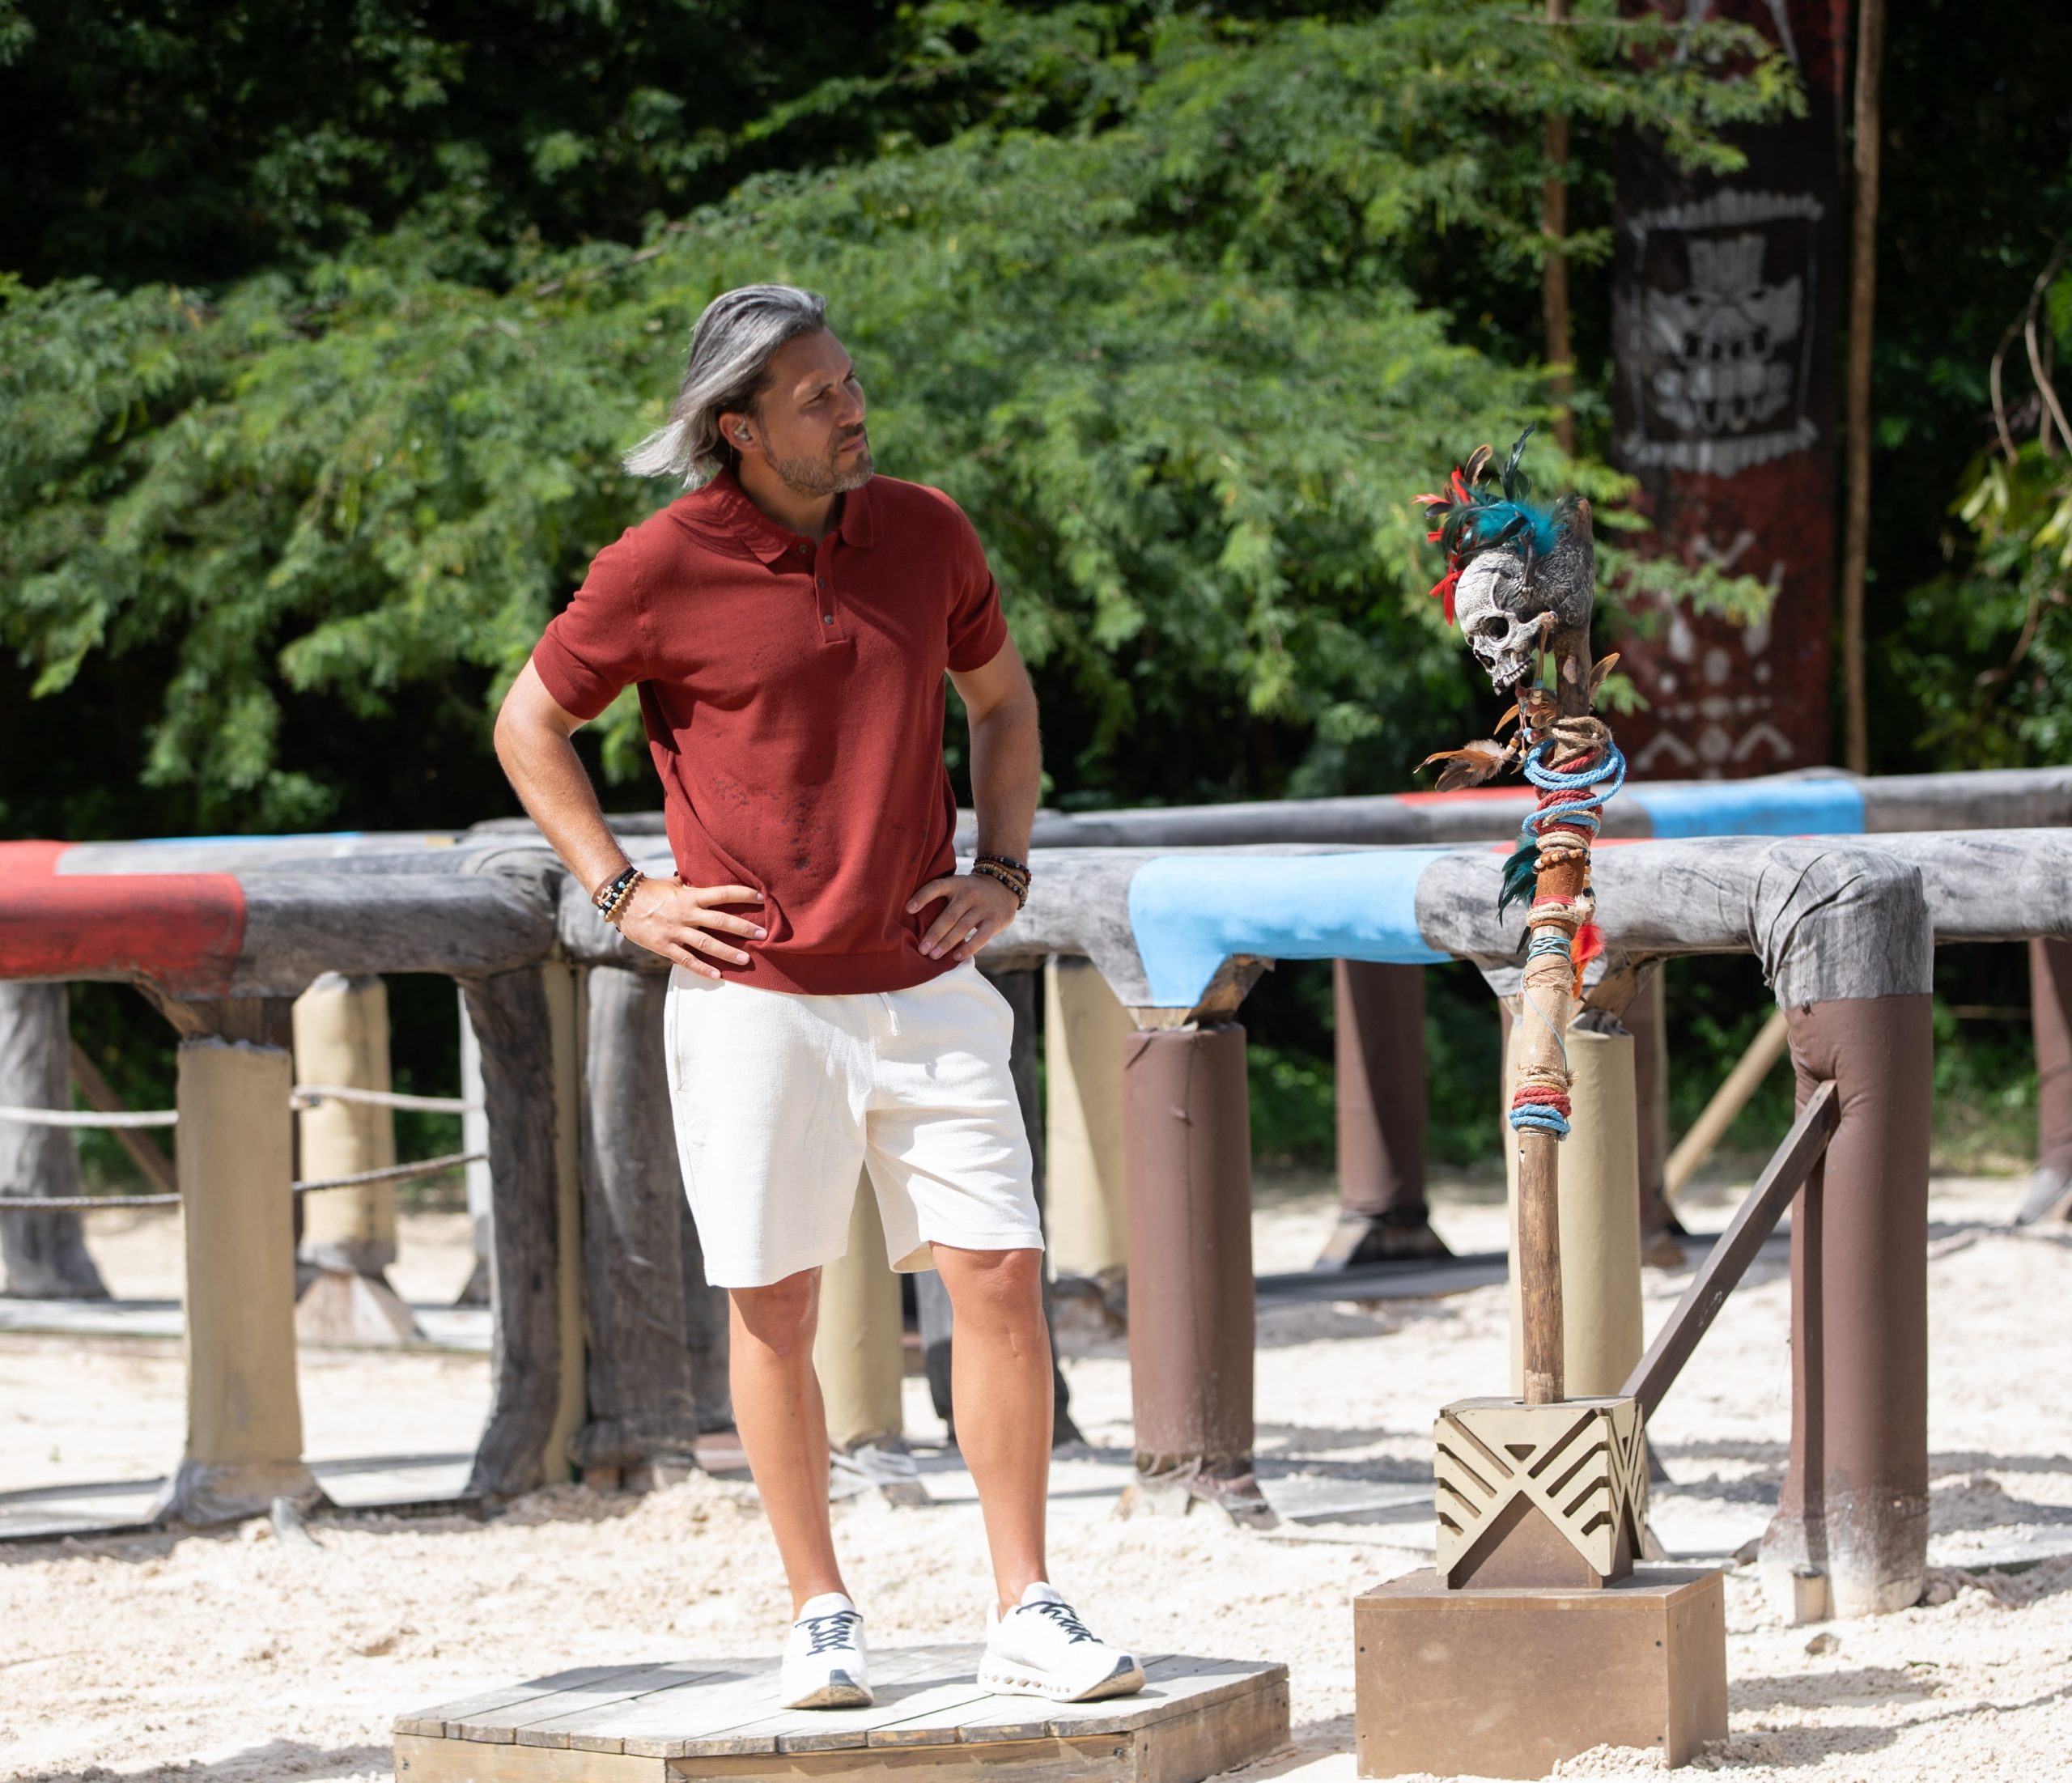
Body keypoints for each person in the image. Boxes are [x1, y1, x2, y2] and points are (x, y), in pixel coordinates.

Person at [495, 284, 1144, 1711]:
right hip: (754, 1000)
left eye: (849, 383)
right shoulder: (657, 565)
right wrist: (622, 894)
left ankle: (1026, 1603)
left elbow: (1003, 704)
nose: (853, 410)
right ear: (738, 427)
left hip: (930, 982)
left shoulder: (926, 530)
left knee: (1001, 1278)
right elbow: (530, 723)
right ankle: (819, 1611)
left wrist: (1005, 869)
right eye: (818, 397)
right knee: (775, 1305)